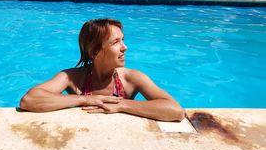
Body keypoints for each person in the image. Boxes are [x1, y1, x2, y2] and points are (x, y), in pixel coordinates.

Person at [20, 19, 185, 121]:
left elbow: (175, 111)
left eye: (123, 41)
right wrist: (85, 100)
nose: (125, 48)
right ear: (95, 52)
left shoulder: (132, 78)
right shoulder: (71, 77)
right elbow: (29, 100)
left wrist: (122, 105)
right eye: (116, 42)